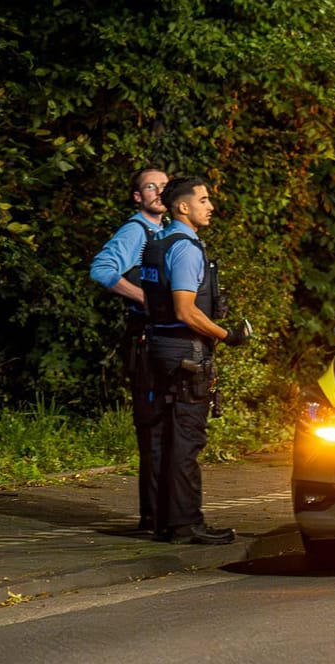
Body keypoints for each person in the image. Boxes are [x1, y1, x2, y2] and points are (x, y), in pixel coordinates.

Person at [140, 176, 250, 545]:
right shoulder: (185, 249)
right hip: (185, 354)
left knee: (162, 437)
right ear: (182, 207)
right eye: (203, 200)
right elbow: (186, 310)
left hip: (158, 349)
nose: (210, 206)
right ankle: (187, 523)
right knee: (187, 440)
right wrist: (228, 336)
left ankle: (161, 520)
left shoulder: (157, 243)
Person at [88, 167, 171, 533]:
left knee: (167, 432)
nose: (158, 192)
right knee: (153, 431)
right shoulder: (135, 231)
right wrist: (147, 299)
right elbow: (102, 270)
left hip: (160, 341)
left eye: (164, 186)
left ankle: (163, 514)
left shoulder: (162, 233)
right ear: (138, 196)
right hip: (145, 343)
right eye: (150, 186)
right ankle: (151, 518)